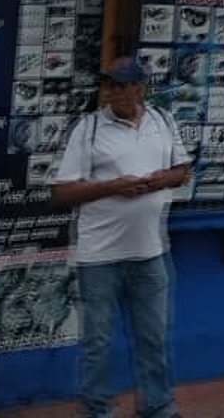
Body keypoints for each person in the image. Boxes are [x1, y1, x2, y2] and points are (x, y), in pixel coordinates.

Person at [51, 57, 191, 418]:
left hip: (149, 252)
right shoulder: (89, 128)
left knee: (153, 337)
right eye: (108, 84)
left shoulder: (163, 121)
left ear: (139, 88)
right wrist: (114, 186)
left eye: (119, 85)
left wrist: (161, 180)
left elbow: (182, 171)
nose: (111, 91)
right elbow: (63, 192)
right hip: (99, 256)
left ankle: (158, 407)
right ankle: (98, 410)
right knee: (97, 341)